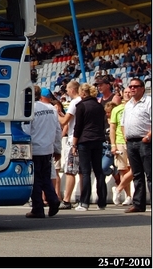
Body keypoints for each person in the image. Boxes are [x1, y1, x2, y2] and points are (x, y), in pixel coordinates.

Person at [23, 86, 62, 218]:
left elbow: (26, 131)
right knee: (45, 178)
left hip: (34, 149)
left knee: (35, 180)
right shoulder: (51, 108)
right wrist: (57, 149)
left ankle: (38, 208)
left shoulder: (29, 109)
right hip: (48, 149)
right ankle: (53, 199)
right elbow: (58, 131)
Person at [71, 83, 108, 211]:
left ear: (83, 93)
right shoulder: (99, 106)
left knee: (86, 172)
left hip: (85, 140)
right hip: (98, 139)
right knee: (99, 171)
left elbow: (78, 127)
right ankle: (102, 201)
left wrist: (74, 144)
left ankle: (84, 202)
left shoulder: (81, 106)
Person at [121, 78, 151, 213]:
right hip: (131, 142)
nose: (132, 89)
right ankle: (138, 203)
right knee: (137, 174)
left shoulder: (149, 102)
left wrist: (148, 137)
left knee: (150, 174)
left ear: (142, 88)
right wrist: (125, 137)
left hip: (145, 141)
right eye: (131, 86)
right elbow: (123, 123)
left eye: (136, 86)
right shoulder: (128, 105)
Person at [58, 80, 82, 209]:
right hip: (82, 139)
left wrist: (56, 113)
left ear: (72, 90)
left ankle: (67, 199)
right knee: (82, 171)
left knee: (70, 170)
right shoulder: (83, 101)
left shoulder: (74, 102)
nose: (66, 91)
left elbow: (64, 121)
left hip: (73, 139)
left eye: (67, 89)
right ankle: (83, 198)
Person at [109, 87, 133, 206]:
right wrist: (113, 144)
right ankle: (128, 196)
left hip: (132, 140)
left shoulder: (135, 107)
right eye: (126, 92)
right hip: (120, 141)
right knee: (123, 169)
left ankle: (118, 188)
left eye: (130, 92)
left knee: (134, 168)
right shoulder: (117, 110)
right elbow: (112, 128)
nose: (128, 94)